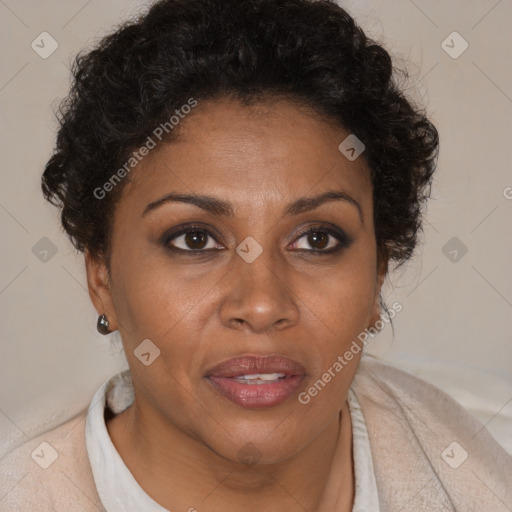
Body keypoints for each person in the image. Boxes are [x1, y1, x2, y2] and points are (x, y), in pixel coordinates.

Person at [1, 0, 510, 510]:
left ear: (378, 274)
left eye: (316, 239)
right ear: (102, 276)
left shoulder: (482, 470)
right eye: (195, 239)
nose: (263, 304)